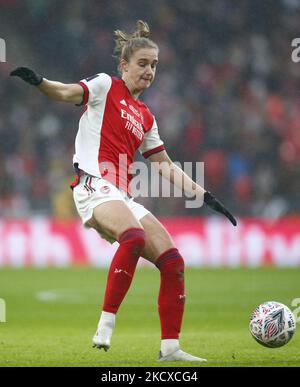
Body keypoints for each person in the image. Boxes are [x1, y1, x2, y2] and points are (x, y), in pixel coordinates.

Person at [10, 20, 237, 362]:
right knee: (131, 236)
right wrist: (40, 82)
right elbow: (66, 92)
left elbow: (165, 165)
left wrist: (205, 196)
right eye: (143, 64)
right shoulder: (105, 85)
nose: (149, 72)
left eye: (154, 66)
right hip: (91, 185)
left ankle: (170, 348)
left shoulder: (146, 116)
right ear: (124, 65)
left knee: (173, 261)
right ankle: (105, 323)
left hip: (121, 194)